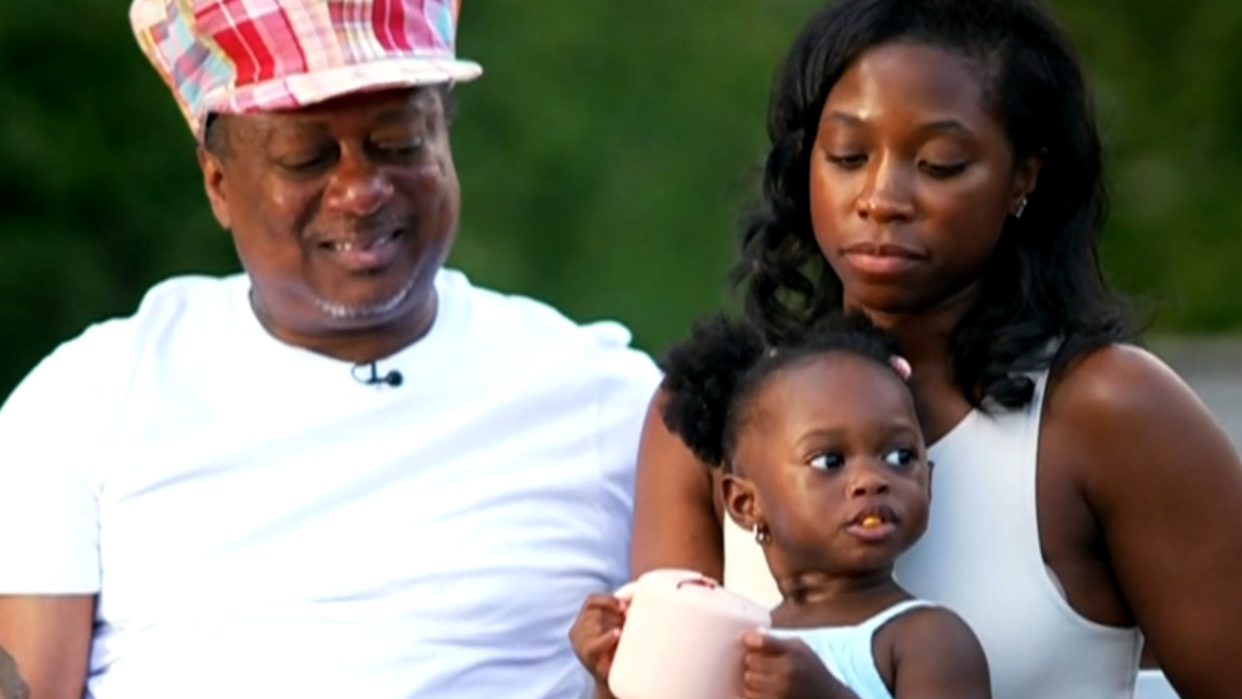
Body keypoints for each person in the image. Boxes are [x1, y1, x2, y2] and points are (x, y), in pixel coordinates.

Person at [0, 1, 660, 698]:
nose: (360, 189)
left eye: (400, 143)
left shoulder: (611, 402)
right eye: (306, 158)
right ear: (218, 183)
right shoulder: (89, 398)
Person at [628, 1, 1242, 698]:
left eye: (940, 163)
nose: (882, 197)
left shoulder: (1109, 410)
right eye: (849, 156)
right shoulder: (714, 415)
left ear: (1025, 176)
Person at [572, 313, 992, 699]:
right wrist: (610, 677)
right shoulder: (736, 643)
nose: (871, 480)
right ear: (745, 503)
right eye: (830, 461)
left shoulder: (929, 640)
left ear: (928, 480)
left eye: (899, 457)